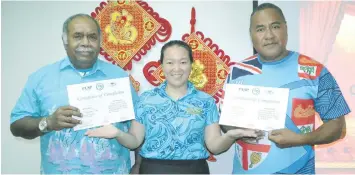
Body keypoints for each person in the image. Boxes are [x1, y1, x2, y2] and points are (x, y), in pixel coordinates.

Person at [85, 40, 264, 174]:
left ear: (191, 65)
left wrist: (232, 134)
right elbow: (135, 141)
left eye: (183, 62)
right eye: (170, 62)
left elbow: (215, 146)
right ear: (161, 65)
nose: (176, 68)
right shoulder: (146, 100)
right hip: (153, 170)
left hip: (194, 170)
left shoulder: (206, 101)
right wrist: (117, 133)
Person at [223, 3, 351, 174]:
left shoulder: (315, 71)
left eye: (275, 26)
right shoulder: (237, 72)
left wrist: (300, 139)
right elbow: (223, 121)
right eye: (260, 29)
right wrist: (238, 132)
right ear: (251, 35)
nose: (269, 35)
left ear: (286, 28)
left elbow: (338, 127)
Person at [10, 13, 139, 174]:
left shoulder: (119, 77)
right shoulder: (41, 78)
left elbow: (139, 123)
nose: (85, 43)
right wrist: (48, 122)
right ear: (65, 41)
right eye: (78, 36)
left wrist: (138, 166)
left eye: (92, 37)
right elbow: (16, 126)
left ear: (100, 42)